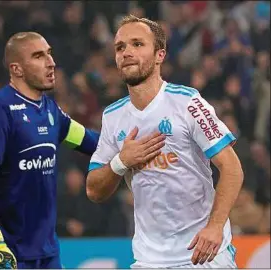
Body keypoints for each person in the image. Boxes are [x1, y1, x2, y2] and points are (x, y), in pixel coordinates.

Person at [86, 15, 244, 269]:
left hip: (203, 255)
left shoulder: (188, 103)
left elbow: (232, 168)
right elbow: (94, 190)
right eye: (120, 47)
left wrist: (215, 228)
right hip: (149, 260)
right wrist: (121, 161)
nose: (126, 52)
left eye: (138, 44)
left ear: (160, 55)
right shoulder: (113, 116)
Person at [0, 32, 100, 269]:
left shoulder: (49, 109)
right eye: (38, 56)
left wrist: (128, 144)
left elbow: (89, 141)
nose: (51, 63)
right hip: (9, 253)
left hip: (48, 252)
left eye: (49, 53)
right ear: (16, 69)